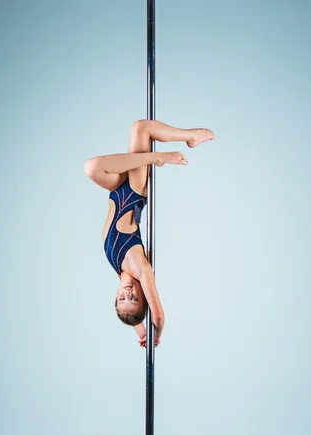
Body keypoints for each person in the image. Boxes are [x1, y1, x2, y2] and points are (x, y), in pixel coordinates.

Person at [84, 120, 214, 348]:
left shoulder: (121, 271)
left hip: (116, 189)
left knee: (132, 135)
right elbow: (159, 316)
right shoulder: (141, 270)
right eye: (134, 298)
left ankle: (186, 140)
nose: (127, 293)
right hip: (133, 190)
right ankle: (177, 145)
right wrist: (156, 334)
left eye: (122, 299)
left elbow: (134, 317)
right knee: (139, 132)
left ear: (115, 296)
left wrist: (141, 331)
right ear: (143, 296)